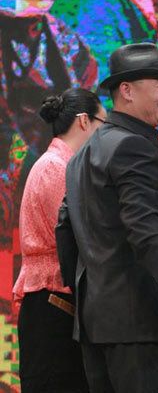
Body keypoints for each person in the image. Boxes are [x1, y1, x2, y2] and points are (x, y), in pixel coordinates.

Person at [55, 42, 158, 393]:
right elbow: (144, 230)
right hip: (136, 323)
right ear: (127, 91)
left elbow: (65, 231)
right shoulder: (134, 146)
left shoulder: (82, 153)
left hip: (94, 324)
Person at [13, 88, 106, 393]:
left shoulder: (62, 165)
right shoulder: (56, 169)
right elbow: (81, 236)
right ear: (84, 121)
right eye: (102, 125)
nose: (105, 136)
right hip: (52, 307)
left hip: (58, 304)